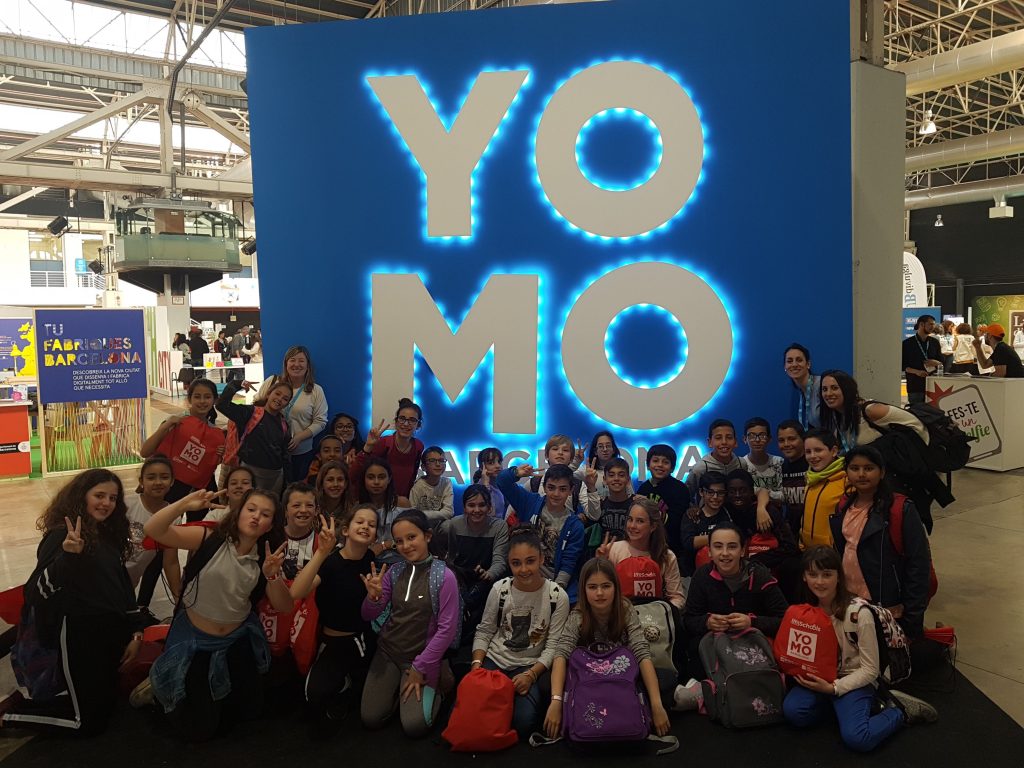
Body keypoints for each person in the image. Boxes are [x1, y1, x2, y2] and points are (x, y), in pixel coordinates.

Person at [135, 488, 292, 740]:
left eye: (265, 514)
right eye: (251, 509)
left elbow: (284, 606)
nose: (256, 517)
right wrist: (183, 504)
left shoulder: (266, 558)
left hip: (235, 638)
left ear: (270, 525)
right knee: (199, 729)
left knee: (250, 711)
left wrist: (273, 576)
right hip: (195, 640)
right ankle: (156, 685)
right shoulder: (210, 537)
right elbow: (153, 530)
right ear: (238, 512)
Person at [0, 470, 145, 735]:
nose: (106, 503)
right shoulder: (62, 536)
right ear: (82, 496)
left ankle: (20, 704)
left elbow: (123, 587)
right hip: (79, 636)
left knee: (105, 705)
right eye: (99, 495)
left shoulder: (108, 534)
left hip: (109, 633)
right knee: (87, 724)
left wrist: (136, 632)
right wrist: (68, 558)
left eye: (112, 498)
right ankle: (8, 717)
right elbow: (35, 593)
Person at [783, 546, 938, 752]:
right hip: (821, 677)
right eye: (813, 575)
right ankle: (844, 708)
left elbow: (870, 670)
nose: (819, 582)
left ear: (839, 576)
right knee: (794, 712)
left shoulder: (858, 614)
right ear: (804, 577)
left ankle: (900, 711)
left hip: (853, 677)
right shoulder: (804, 610)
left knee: (858, 738)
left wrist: (833, 688)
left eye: (827, 575)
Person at [544, 558, 671, 739]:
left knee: (667, 679)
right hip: (589, 679)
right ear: (583, 589)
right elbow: (561, 654)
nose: (599, 593)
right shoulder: (578, 614)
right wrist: (556, 701)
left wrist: (657, 705)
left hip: (621, 677)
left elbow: (642, 653)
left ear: (615, 587)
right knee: (545, 685)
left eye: (606, 586)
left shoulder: (625, 609)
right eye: (592, 587)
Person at [360, 510, 459, 738]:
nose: (405, 546)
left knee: (414, 726)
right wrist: (372, 598)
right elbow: (367, 615)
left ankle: (438, 686)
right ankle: (395, 692)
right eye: (399, 541)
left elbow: (446, 630)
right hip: (388, 652)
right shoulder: (394, 572)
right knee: (371, 718)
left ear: (427, 536)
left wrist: (419, 666)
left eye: (411, 537)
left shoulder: (444, 577)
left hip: (421, 658)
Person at [471, 527, 570, 737]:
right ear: (509, 563)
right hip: (495, 660)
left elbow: (553, 645)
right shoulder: (500, 589)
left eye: (530, 561)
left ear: (542, 559)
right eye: (516, 563)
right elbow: (484, 631)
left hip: (528, 664)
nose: (524, 569)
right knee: (473, 713)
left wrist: (531, 674)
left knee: (524, 724)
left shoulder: (557, 596)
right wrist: (477, 666)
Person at [829, 446, 933, 641]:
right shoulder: (843, 506)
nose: (861, 474)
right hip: (851, 601)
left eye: (869, 468)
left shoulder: (900, 509)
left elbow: (919, 566)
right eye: (854, 468)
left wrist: (912, 619)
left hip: (887, 607)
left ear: (882, 472)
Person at [289, 505, 376, 732]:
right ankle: (344, 684)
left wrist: (375, 597)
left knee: (366, 700)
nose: (365, 527)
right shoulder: (331, 562)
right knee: (313, 696)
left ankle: (350, 684)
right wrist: (321, 552)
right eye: (360, 522)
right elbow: (296, 592)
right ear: (345, 530)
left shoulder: (371, 559)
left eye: (372, 524)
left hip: (362, 640)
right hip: (332, 641)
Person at [682, 524, 788, 678]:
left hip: (752, 645)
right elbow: (689, 619)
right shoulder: (702, 576)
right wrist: (707, 622)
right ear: (710, 551)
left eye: (732, 547)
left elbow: (784, 620)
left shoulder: (760, 576)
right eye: (718, 547)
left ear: (742, 550)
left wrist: (752, 622)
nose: (725, 553)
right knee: (694, 649)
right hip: (715, 643)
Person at [497, 463, 585, 604]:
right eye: (551, 487)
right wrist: (516, 473)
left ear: (571, 490)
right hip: (522, 579)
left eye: (562, 489)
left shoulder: (575, 526)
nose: (556, 494)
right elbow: (502, 481)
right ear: (544, 487)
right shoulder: (530, 502)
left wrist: (554, 594)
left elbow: (568, 564)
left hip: (553, 587)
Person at [140, 378, 225, 508]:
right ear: (189, 399)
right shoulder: (175, 421)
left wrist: (219, 455)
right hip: (167, 487)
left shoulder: (215, 433)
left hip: (195, 488)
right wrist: (165, 427)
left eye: (207, 397)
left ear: (214, 400)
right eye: (197, 397)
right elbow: (145, 452)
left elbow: (206, 463)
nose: (202, 401)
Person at [439, 485, 509, 640]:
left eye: (482, 505)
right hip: (459, 577)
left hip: (486, 580)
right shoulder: (453, 525)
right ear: (464, 507)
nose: (476, 510)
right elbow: (448, 556)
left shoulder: (499, 526)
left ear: (489, 507)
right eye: (471, 505)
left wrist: (489, 573)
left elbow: (500, 561)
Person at [596, 496, 685, 609]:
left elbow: (677, 598)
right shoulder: (613, 549)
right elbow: (600, 590)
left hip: (655, 615)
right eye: (630, 519)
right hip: (621, 613)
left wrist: (662, 611)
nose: (632, 526)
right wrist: (600, 563)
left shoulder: (667, 556)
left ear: (653, 526)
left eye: (640, 521)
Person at [257, 345, 328, 483]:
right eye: (292, 360)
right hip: (270, 449)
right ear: (286, 364)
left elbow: (321, 421)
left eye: (301, 361)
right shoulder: (272, 382)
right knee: (271, 489)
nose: (296, 364)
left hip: (301, 452)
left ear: (308, 365)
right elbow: (257, 407)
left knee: (296, 488)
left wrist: (299, 437)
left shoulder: (316, 390)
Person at [818, 369, 928, 454]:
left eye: (834, 388)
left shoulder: (871, 410)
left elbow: (915, 424)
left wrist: (915, 456)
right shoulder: (837, 417)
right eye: (824, 389)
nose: (828, 394)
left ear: (846, 389)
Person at [125, 456, 181, 618]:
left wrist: (178, 600)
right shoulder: (127, 504)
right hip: (108, 578)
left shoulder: (173, 516)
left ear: (172, 481)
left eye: (164, 477)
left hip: (130, 583)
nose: (158, 482)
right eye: (151, 477)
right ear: (141, 481)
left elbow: (170, 562)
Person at [217, 378, 292, 496]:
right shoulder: (250, 413)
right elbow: (221, 405)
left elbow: (284, 453)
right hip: (249, 473)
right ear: (268, 394)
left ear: (287, 404)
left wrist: (287, 480)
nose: (279, 399)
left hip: (275, 476)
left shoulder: (284, 424)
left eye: (285, 399)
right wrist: (238, 384)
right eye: (277, 394)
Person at [724, 468, 799, 579]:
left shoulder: (768, 511)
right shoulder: (726, 509)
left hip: (766, 564)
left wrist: (752, 561)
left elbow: (790, 547)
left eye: (743, 490)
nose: (737, 495)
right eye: (732, 491)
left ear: (751, 491)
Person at [359, 398, 425, 500]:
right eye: (402, 418)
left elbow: (412, 476)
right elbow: (364, 473)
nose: (406, 424)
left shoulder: (418, 446)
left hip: (403, 501)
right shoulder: (384, 443)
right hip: (379, 500)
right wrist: (367, 447)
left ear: (418, 425)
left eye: (412, 420)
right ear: (396, 421)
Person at [350, 456, 409, 565]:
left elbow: (411, 537)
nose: (376, 482)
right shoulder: (358, 507)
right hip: (367, 562)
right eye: (371, 477)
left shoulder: (402, 503)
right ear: (364, 480)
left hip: (401, 561)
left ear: (389, 479)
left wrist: (385, 545)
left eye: (381, 477)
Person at [636, 443, 690, 561]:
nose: (660, 465)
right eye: (655, 461)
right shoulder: (644, 488)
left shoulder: (680, 489)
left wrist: (649, 507)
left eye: (665, 462)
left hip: (672, 547)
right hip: (646, 545)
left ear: (672, 468)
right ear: (648, 465)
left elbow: (677, 521)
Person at [517, 434, 593, 518]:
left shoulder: (578, 484)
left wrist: (592, 488)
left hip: (567, 525)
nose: (560, 453)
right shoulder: (534, 482)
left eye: (565, 450)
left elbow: (593, 516)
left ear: (571, 458)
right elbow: (515, 505)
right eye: (555, 449)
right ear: (546, 456)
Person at [679, 471, 732, 577]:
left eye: (720, 493)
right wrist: (721, 537)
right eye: (710, 492)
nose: (715, 497)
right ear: (701, 492)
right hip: (691, 574)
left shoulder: (729, 513)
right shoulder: (693, 515)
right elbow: (688, 542)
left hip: (724, 573)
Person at [801, 429, 845, 550]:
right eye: (808, 452)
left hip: (832, 555)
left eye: (818, 450)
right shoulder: (810, 480)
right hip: (809, 552)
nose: (812, 456)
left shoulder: (847, 481)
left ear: (834, 451)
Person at [685, 419, 742, 499]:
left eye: (729, 437)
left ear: (735, 442)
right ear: (710, 442)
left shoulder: (741, 464)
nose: (724, 442)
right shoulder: (700, 468)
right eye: (718, 438)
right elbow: (687, 495)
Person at [573, 430, 632, 499]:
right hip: (593, 505)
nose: (605, 449)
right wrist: (576, 462)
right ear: (595, 451)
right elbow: (565, 475)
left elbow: (630, 494)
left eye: (608, 446)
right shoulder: (587, 470)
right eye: (600, 446)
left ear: (613, 450)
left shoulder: (621, 469)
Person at [777, 419, 809, 535]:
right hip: (792, 532)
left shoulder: (813, 464)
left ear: (803, 439)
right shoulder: (781, 467)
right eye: (781, 440)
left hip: (813, 532)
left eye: (791, 439)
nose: (786, 444)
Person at [902, 314, 943, 404]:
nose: (933, 327)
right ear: (921, 324)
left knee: (933, 410)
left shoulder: (934, 342)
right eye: (930, 324)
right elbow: (903, 365)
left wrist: (936, 363)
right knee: (917, 409)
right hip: (915, 385)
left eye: (934, 324)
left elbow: (941, 361)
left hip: (934, 385)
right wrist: (916, 371)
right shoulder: (907, 343)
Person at [740, 416, 784, 499]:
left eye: (762, 435)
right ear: (745, 439)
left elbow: (785, 494)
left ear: (769, 439)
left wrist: (762, 493)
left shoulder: (779, 462)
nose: (757, 440)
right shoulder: (741, 464)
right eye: (752, 436)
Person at [409, 446, 454, 523]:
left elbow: (449, 512)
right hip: (421, 524)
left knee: (449, 525)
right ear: (423, 467)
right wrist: (440, 514)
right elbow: (412, 514)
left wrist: (421, 514)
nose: (438, 464)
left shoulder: (446, 482)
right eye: (432, 460)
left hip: (440, 525)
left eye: (441, 460)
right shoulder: (417, 486)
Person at [595, 456, 634, 540]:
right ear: (604, 480)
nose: (616, 479)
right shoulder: (599, 505)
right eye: (611, 475)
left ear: (628, 480)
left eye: (621, 475)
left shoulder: (636, 504)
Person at [784, 342, 822, 429]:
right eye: (789, 361)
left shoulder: (821, 385)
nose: (794, 364)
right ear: (785, 367)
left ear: (808, 364)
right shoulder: (801, 390)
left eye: (799, 360)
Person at [473, 447, 507, 519]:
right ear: (482, 468)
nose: (498, 466)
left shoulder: (503, 484)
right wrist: (486, 485)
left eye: (499, 462)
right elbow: (490, 514)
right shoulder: (476, 489)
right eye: (491, 463)